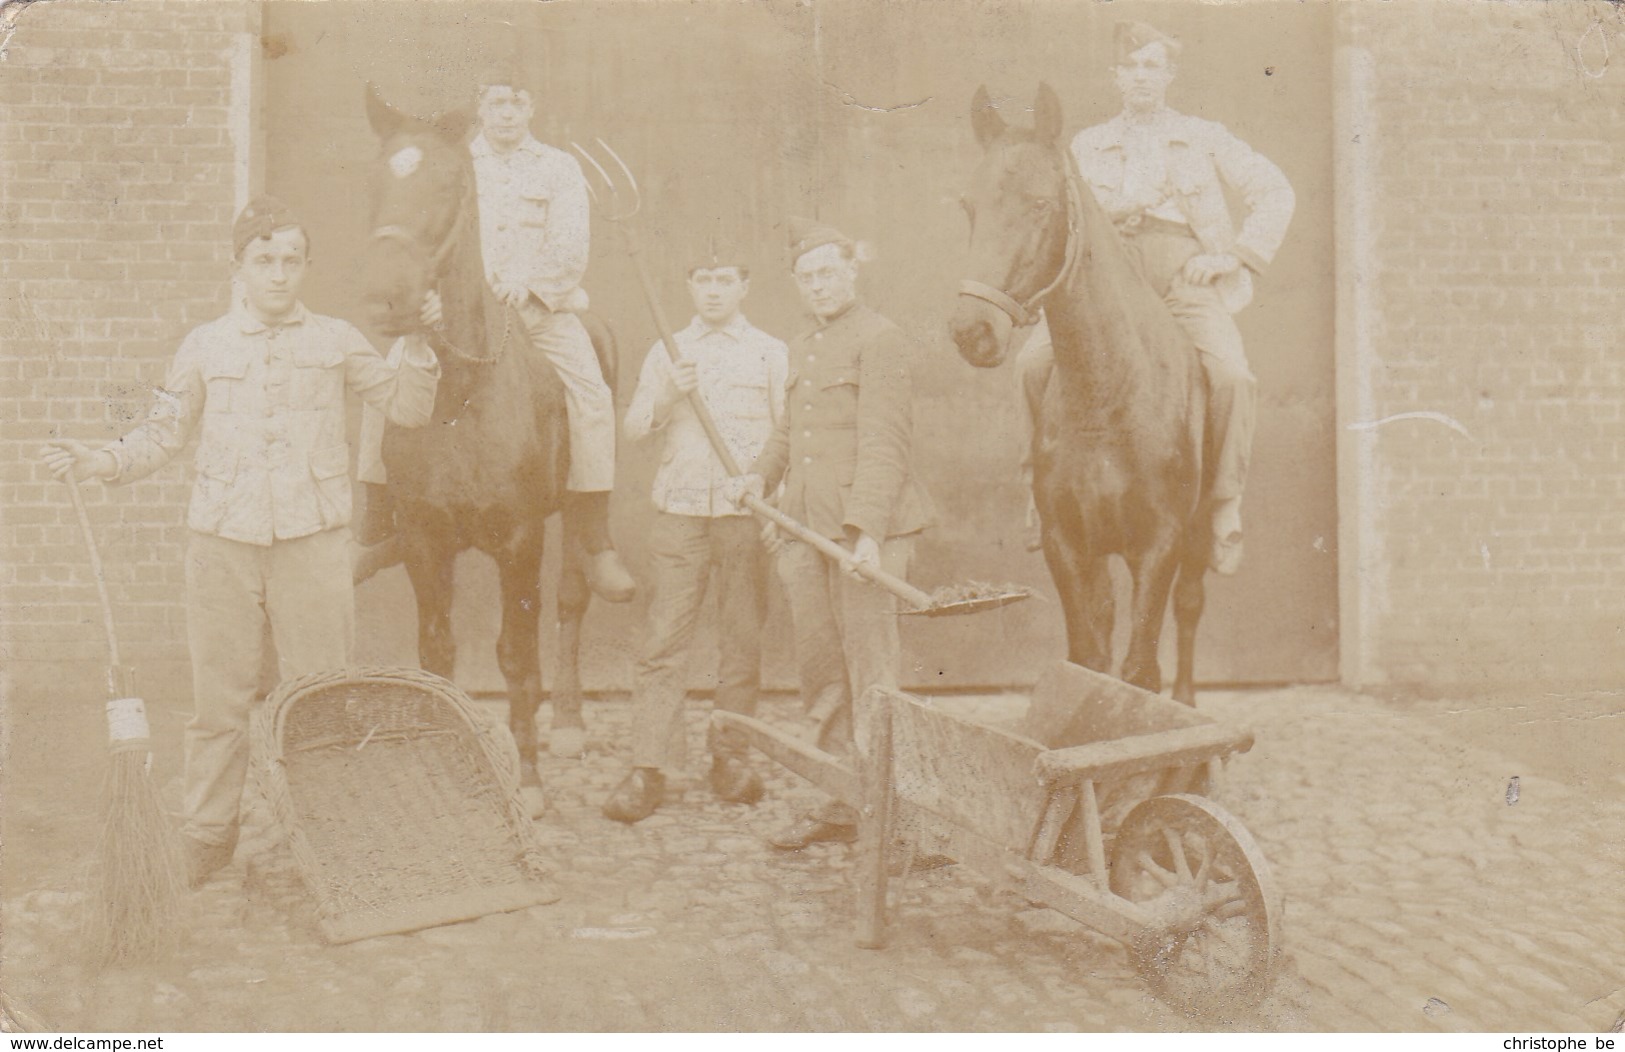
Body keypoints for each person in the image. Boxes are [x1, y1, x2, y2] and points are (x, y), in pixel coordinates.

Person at [40, 197, 442, 888]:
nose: (279, 275)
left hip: (312, 542)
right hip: (221, 542)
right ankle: (206, 832)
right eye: (264, 261)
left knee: (318, 696)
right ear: (238, 268)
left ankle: (329, 834)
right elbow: (163, 432)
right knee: (217, 701)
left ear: (306, 267)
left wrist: (421, 345)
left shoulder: (338, 340)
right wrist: (99, 459)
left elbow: (409, 408)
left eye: (290, 261)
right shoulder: (204, 345)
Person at [1017, 20, 1295, 573]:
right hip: (1104, 281)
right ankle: (1036, 489)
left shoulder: (1203, 136)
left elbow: (1274, 192)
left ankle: (1223, 502)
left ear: (1169, 74)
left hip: (1179, 277)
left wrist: (1231, 257)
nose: (1142, 76)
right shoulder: (1088, 144)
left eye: (1153, 66)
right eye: (1131, 66)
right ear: (1115, 76)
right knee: (1030, 363)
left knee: (1233, 378)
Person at [355, 66, 636, 602]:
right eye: (496, 102)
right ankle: (377, 519)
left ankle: (593, 534)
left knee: (591, 392)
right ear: (480, 108)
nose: (506, 112)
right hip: (462, 314)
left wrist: (529, 289)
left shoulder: (557, 168)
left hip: (536, 309)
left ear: (531, 108)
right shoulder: (457, 160)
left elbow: (571, 246)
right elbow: (434, 230)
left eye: (517, 102)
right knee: (386, 380)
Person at [724, 218, 935, 850]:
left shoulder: (883, 340)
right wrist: (760, 477)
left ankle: (895, 818)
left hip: (865, 536)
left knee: (873, 675)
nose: (818, 285)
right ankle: (843, 801)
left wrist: (866, 532)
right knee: (821, 673)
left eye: (828, 272)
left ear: (853, 270)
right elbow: (791, 433)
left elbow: (885, 444)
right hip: (804, 535)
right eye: (806, 276)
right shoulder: (804, 346)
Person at [601, 245, 789, 824]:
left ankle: (729, 756)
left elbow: (788, 438)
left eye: (723, 279)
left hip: (743, 519)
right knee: (662, 643)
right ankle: (648, 767)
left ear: (744, 286)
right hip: (679, 515)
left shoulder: (769, 353)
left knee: (740, 643)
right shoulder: (668, 351)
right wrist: (667, 394)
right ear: (689, 286)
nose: (712, 290)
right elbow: (633, 429)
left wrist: (775, 510)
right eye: (702, 279)